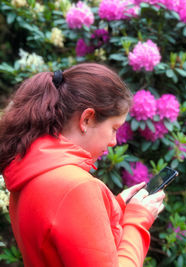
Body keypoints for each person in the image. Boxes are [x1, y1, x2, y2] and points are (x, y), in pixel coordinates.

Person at [0, 63, 165, 267]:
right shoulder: (77, 187)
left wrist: (117, 207)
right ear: (86, 119)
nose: (114, 141)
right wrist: (137, 220)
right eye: (114, 128)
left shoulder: (30, 168)